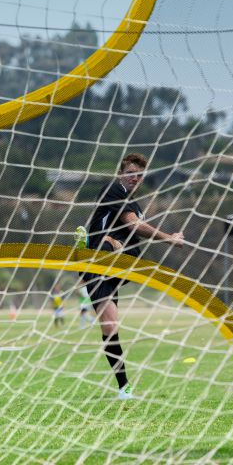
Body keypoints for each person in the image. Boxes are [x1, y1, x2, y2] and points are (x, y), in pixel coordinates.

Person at [79, 152, 184, 400]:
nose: (134, 178)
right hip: (98, 263)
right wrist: (168, 238)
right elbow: (134, 225)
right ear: (120, 174)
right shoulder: (113, 188)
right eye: (130, 173)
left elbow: (133, 222)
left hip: (120, 263)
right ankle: (124, 387)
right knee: (110, 326)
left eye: (139, 175)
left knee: (119, 246)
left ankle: (107, 245)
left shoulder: (135, 204)